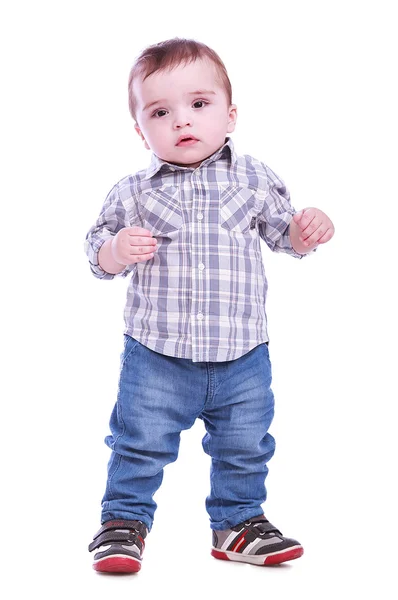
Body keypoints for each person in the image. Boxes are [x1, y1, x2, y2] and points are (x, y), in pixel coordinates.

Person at [84, 37, 334, 574]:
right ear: (139, 129)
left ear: (230, 115)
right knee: (138, 442)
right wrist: (114, 250)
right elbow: (95, 253)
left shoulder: (254, 178)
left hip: (242, 354)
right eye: (160, 111)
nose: (182, 121)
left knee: (246, 445)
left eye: (199, 104)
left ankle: (239, 522)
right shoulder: (133, 192)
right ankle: (123, 522)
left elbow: (284, 236)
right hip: (157, 355)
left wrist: (307, 230)